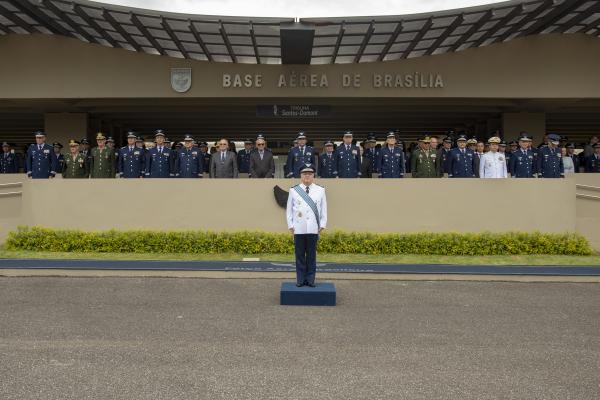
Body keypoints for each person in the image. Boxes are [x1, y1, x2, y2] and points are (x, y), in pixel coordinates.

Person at [286, 163, 327, 288]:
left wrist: (323, 224)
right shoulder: (294, 190)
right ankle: (300, 279)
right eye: (305, 174)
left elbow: (323, 209)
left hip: (313, 228)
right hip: (298, 228)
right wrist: (291, 226)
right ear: (301, 176)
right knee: (299, 256)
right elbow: (289, 210)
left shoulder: (320, 190)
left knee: (311, 256)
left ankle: (310, 280)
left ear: (313, 175)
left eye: (309, 173)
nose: (307, 176)